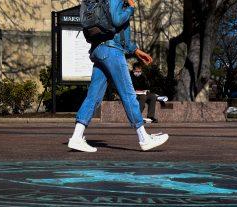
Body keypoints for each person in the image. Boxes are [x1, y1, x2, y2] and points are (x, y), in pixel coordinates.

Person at [68, 0, 169, 152]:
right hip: (112, 51)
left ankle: (76, 137)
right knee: (128, 94)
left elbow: (117, 31)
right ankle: (144, 138)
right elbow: (116, 19)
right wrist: (131, 9)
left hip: (99, 50)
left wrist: (135, 50)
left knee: (93, 96)